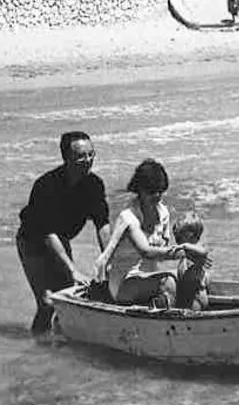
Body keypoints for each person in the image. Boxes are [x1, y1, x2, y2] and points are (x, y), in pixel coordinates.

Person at [16, 132, 112, 335]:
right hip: (33, 241)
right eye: (81, 156)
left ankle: (59, 343)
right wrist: (73, 270)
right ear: (66, 158)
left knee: (67, 302)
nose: (88, 160)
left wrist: (109, 259)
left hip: (60, 239)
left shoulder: (94, 184)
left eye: (91, 154)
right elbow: (47, 233)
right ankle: (37, 344)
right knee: (48, 302)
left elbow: (102, 225)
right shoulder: (46, 185)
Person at [91, 159, 197, 308]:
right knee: (168, 282)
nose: (157, 195)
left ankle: (180, 313)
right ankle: (162, 318)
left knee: (190, 277)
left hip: (148, 277)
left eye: (160, 191)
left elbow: (162, 252)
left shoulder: (163, 213)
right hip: (124, 282)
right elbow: (146, 251)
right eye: (152, 192)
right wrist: (185, 252)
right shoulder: (128, 217)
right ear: (140, 190)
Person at [171, 211, 213, 311]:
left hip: (195, 298)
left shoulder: (198, 250)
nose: (177, 241)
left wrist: (185, 246)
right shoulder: (186, 255)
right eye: (176, 236)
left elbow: (203, 252)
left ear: (192, 236)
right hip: (189, 297)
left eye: (180, 237)